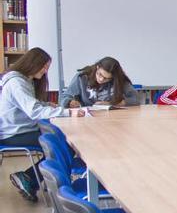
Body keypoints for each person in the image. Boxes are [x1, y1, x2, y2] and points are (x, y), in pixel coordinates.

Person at [1, 48, 84, 202]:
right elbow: (33, 111)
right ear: (32, 64)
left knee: (61, 141)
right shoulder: (16, 82)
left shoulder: (24, 80)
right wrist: (67, 113)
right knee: (61, 143)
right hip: (13, 133)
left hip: (21, 129)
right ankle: (29, 177)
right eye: (44, 66)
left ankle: (30, 177)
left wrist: (48, 105)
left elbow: (30, 104)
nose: (45, 71)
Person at [59, 56, 139, 108]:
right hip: (86, 118)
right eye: (99, 74)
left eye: (106, 78)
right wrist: (69, 102)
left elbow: (135, 99)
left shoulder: (119, 80)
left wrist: (115, 103)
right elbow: (63, 98)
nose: (101, 79)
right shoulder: (82, 77)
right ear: (97, 67)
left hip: (111, 118)